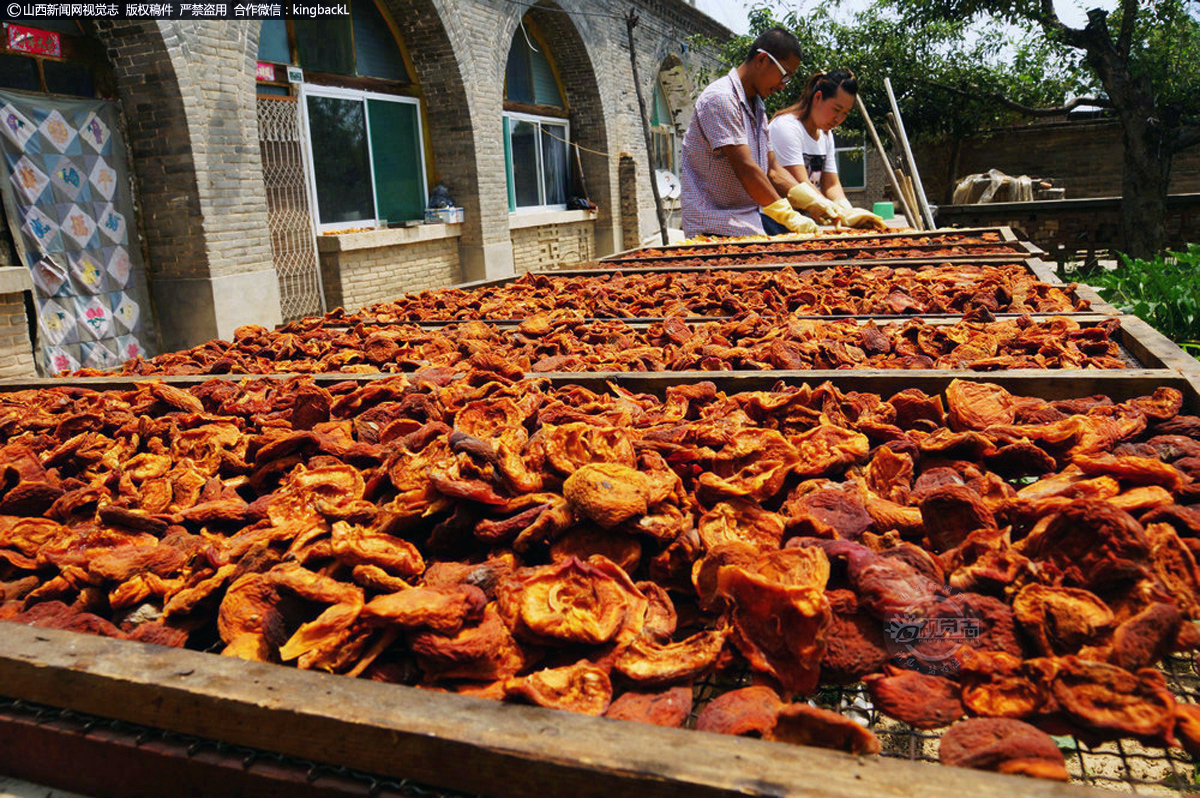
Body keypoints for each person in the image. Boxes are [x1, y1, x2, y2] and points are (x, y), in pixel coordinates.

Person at [679, 28, 817, 238]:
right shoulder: (722, 99)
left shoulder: (757, 105)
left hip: (748, 224)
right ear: (762, 59)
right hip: (713, 229)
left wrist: (817, 203)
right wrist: (789, 216)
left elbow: (771, 170)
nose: (782, 86)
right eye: (784, 76)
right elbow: (745, 168)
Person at [766, 69, 889, 231]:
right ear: (817, 98)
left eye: (845, 113)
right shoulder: (786, 126)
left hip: (803, 222)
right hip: (774, 221)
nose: (839, 119)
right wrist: (837, 213)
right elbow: (799, 182)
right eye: (836, 110)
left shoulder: (826, 135)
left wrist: (847, 210)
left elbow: (831, 185)